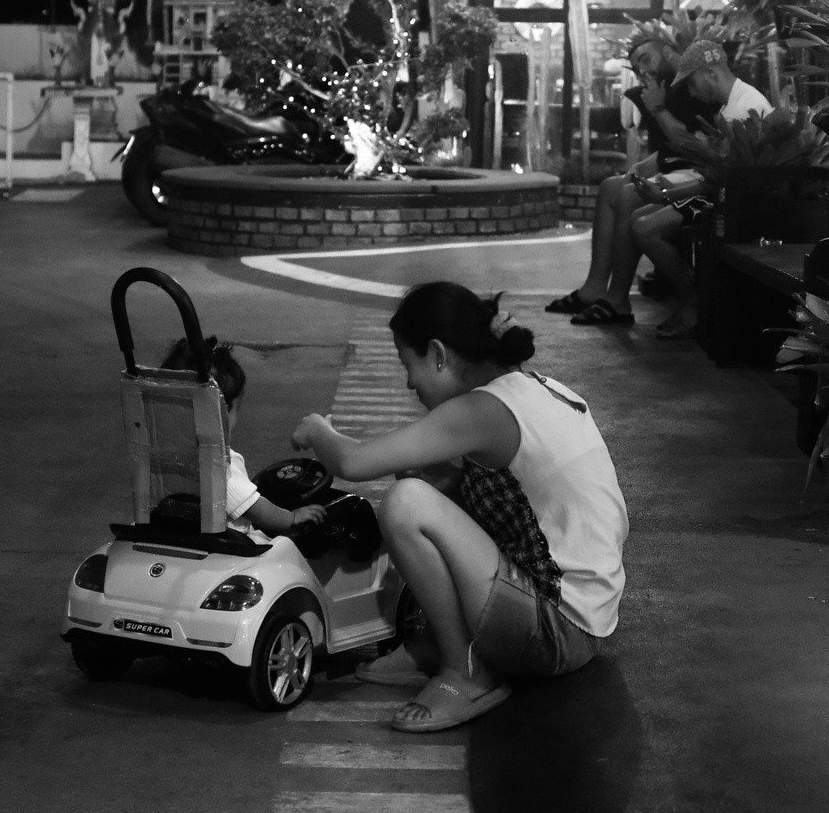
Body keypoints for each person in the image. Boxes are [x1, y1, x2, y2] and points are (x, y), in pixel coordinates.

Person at [292, 283, 628, 733]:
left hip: (554, 632)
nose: (409, 383)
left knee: (406, 504)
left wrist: (317, 430)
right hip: (579, 618)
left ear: (437, 354)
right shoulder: (528, 387)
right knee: (419, 477)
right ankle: (446, 642)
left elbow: (352, 462)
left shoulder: (483, 410)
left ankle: (467, 673)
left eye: (406, 364)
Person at [549, 38, 771, 336]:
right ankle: (615, 294)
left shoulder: (746, 106)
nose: (692, 92)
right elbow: (712, 169)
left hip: (733, 203)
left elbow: (715, 176)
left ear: (710, 73)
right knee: (629, 201)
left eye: (692, 84)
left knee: (642, 222)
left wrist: (666, 193)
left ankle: (694, 302)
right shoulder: (732, 103)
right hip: (718, 193)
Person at [158, 336, 325, 539]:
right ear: (221, 413)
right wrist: (291, 518)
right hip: (227, 547)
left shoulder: (155, 456)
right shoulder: (217, 464)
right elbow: (254, 508)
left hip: (172, 535)